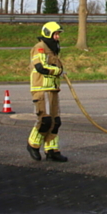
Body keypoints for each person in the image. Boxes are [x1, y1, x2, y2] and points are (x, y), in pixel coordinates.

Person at [26, 21, 68, 162]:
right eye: (56, 34)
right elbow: (41, 67)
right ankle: (33, 144)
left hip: (53, 90)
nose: (58, 37)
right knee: (45, 120)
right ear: (48, 34)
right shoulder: (40, 48)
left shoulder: (53, 49)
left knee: (56, 121)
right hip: (41, 89)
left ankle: (52, 150)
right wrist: (58, 71)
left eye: (58, 34)